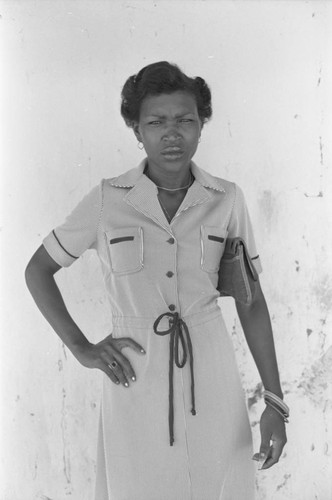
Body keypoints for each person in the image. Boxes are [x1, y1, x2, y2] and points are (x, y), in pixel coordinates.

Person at [25, 61, 288, 500]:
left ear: (201, 126)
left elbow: (251, 301)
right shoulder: (108, 200)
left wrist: (275, 401)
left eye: (185, 120)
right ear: (136, 130)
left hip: (213, 373)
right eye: (156, 122)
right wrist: (82, 348)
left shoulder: (226, 199)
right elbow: (38, 270)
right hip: (133, 375)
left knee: (218, 485)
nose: (172, 133)